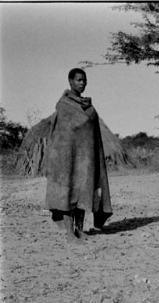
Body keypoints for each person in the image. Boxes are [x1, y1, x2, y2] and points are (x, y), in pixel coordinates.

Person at [45, 68, 112, 244]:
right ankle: (69, 233)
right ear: (70, 81)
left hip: (86, 159)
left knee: (84, 192)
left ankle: (79, 230)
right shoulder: (64, 105)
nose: (82, 83)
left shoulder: (90, 108)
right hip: (67, 159)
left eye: (84, 80)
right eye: (78, 80)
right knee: (68, 193)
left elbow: (93, 135)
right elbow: (60, 136)